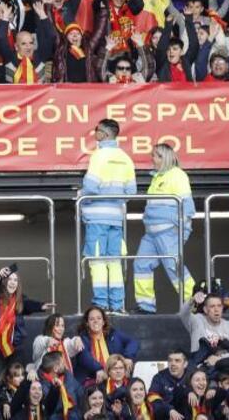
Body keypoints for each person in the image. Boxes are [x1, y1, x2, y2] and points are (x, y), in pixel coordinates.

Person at [79, 118, 136, 312]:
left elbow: (91, 187)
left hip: (96, 218)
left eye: (97, 130)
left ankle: (101, 305)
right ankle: (118, 305)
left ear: (104, 134)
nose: (95, 134)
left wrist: (80, 195)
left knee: (97, 261)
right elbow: (131, 192)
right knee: (115, 261)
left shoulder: (99, 156)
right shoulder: (126, 158)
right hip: (116, 218)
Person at [133, 143, 196, 312]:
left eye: (154, 155)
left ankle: (197, 303)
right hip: (151, 233)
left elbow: (186, 204)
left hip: (169, 231)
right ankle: (146, 306)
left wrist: (181, 228)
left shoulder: (177, 175)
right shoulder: (157, 177)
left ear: (163, 157)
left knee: (173, 266)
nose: (151, 159)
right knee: (141, 265)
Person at [0, 264, 53, 377]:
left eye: (15, 280)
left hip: (16, 348)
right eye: (10, 279)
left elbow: (29, 304)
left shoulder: (20, 300)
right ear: (4, 282)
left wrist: (41, 306)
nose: (12, 282)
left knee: (18, 381)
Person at [71, 305, 139, 386]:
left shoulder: (113, 334)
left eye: (99, 318)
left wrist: (128, 357)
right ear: (87, 323)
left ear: (103, 322)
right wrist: (98, 369)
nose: (95, 321)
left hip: (113, 377)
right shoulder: (82, 338)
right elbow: (84, 357)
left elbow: (133, 342)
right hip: (91, 380)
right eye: (92, 319)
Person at [177, 290, 229, 368]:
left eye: (219, 306)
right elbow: (183, 314)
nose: (216, 309)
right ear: (205, 309)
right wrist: (193, 300)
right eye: (212, 306)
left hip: (223, 370)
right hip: (199, 370)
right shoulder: (197, 321)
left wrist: (218, 359)